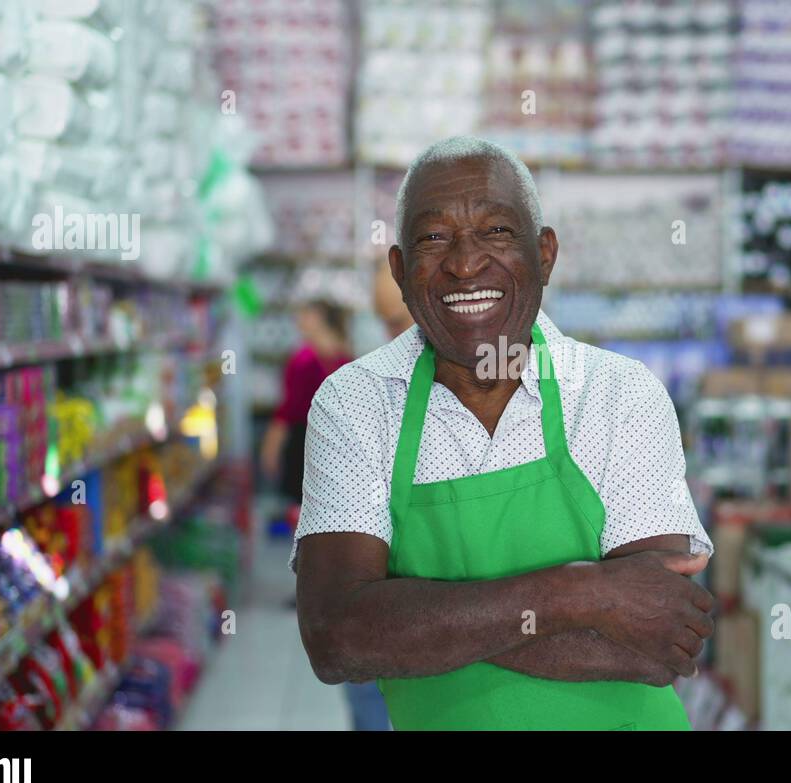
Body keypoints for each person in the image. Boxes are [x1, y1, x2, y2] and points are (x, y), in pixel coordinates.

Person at [292, 136, 714, 731]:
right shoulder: (355, 403)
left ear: (544, 254)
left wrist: (414, 619)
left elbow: (656, 643)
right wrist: (581, 594)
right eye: (434, 238)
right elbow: (337, 638)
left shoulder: (619, 394)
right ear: (400, 270)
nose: (466, 263)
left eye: (496, 232)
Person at [261, 298, 351, 521]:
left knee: (304, 508)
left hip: (305, 440)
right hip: (339, 441)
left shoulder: (302, 360)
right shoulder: (346, 356)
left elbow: (288, 410)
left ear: (319, 318)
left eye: (304, 315)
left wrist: (271, 448)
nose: (298, 321)